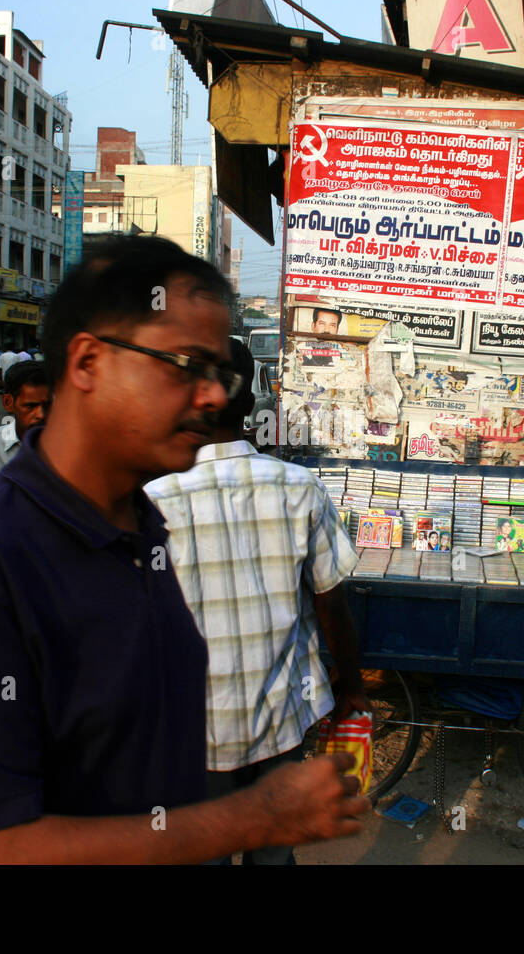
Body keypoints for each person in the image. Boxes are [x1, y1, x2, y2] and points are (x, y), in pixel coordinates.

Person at [0, 236, 367, 864]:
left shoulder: (142, 527)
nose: (214, 397)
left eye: (219, 374)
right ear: (87, 362)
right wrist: (254, 817)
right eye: (185, 366)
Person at [145, 340, 366, 865]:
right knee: (273, 853)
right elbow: (331, 603)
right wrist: (352, 683)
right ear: (253, 404)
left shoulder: (154, 497)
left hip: (193, 726)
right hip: (281, 714)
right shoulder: (298, 485)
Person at [0, 360, 51, 492]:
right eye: (30, 406)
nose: (41, 415)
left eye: (47, 405)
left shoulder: (68, 447)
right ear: (8, 402)